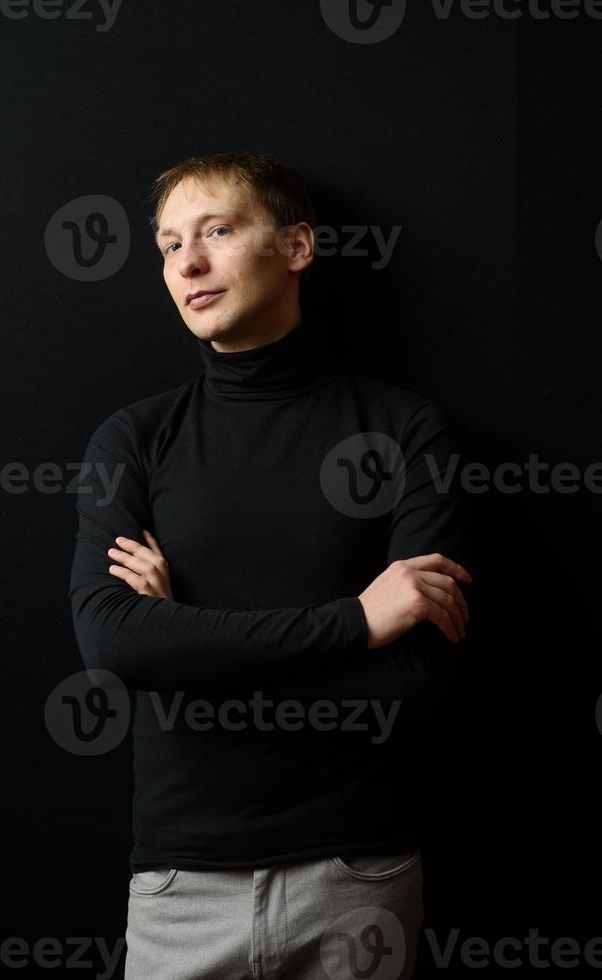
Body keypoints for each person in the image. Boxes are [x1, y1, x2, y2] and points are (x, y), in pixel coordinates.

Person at [68, 151, 472, 980]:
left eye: (217, 230)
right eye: (170, 243)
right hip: (181, 886)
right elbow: (114, 646)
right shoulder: (133, 440)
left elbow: (418, 678)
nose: (188, 262)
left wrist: (184, 644)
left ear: (295, 247)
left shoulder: (404, 430)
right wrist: (358, 621)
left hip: (357, 880)